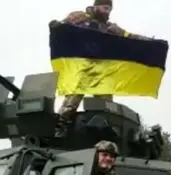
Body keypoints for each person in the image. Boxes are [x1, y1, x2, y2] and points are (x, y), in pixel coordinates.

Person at [51, 0, 152, 136]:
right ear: (96, 6)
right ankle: (60, 125)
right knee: (73, 98)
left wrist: (150, 42)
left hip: (101, 71)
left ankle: (105, 128)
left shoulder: (110, 28)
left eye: (109, 10)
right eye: (105, 8)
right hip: (82, 67)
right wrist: (55, 26)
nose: (107, 12)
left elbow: (129, 38)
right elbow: (62, 29)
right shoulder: (79, 17)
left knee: (106, 103)